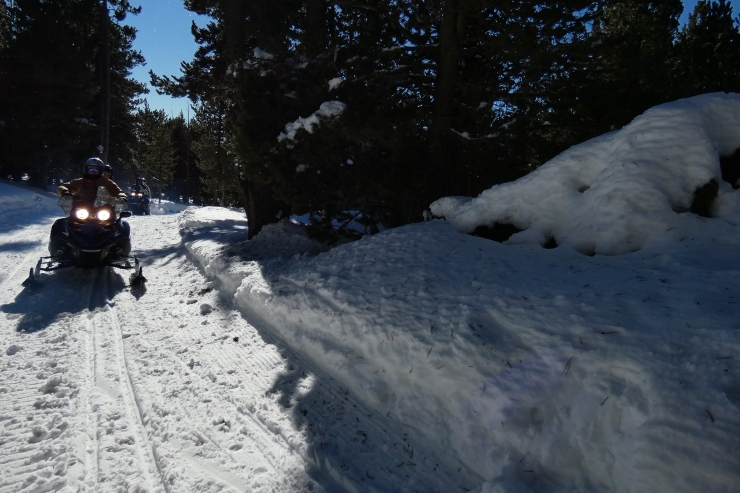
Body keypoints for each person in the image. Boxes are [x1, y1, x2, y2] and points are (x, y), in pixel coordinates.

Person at [56, 157, 126, 204]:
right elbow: (62, 187)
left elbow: (119, 192)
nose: (93, 171)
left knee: (120, 225)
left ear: (101, 171)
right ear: (86, 169)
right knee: (63, 223)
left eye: (96, 170)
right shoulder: (80, 182)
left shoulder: (108, 183)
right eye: (91, 169)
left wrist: (122, 197)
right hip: (81, 210)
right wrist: (65, 192)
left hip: (104, 211)